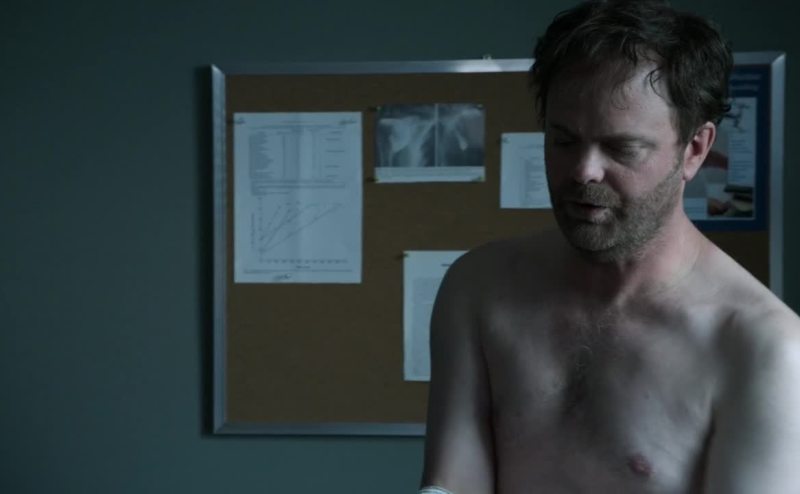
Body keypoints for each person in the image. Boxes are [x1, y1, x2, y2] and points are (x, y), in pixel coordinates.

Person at [419, 1, 800, 493]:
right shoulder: (478, 289)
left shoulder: (761, 347)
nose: (584, 171)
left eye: (622, 148)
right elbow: (452, 483)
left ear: (695, 149)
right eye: (563, 141)